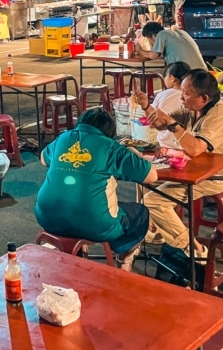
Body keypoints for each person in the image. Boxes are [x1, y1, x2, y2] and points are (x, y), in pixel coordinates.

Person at [35, 108, 156, 272]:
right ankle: (123, 257)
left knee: (83, 201)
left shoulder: (63, 138)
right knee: (140, 213)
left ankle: (78, 254)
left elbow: (43, 159)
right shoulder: (111, 147)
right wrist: (134, 154)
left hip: (46, 217)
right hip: (95, 224)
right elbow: (151, 176)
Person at [135, 70, 223, 259]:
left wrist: (174, 125)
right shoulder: (192, 109)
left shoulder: (219, 116)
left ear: (204, 98)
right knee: (143, 177)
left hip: (212, 176)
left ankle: (193, 249)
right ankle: (157, 231)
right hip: (192, 170)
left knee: (153, 201)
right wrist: (147, 106)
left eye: (186, 93)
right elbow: (160, 122)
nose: (181, 97)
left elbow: (195, 149)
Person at [149, 61, 190, 150]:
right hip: (186, 144)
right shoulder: (191, 97)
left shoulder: (162, 94)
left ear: (172, 78)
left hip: (165, 144)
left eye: (165, 76)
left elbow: (152, 118)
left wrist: (145, 106)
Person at [135, 21, 207, 69]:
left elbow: (153, 55)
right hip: (202, 71)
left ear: (154, 36)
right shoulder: (182, 32)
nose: (152, 43)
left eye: (149, 40)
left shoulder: (161, 34)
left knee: (169, 77)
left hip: (188, 75)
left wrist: (139, 50)